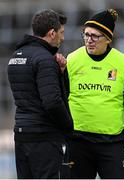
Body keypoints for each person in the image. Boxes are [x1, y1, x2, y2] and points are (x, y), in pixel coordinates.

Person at [57, 8, 124, 179]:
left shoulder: (123, 63)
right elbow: (59, 100)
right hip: (77, 142)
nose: (89, 40)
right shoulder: (71, 59)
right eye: (86, 34)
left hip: (111, 144)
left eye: (95, 36)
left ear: (108, 39)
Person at [7, 9, 73, 179]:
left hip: (22, 135)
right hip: (44, 138)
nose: (62, 38)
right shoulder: (45, 59)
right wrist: (68, 127)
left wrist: (61, 72)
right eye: (61, 33)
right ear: (52, 33)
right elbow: (52, 101)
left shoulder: (16, 56)